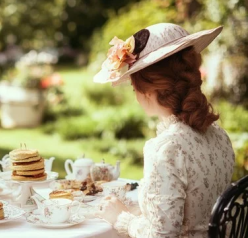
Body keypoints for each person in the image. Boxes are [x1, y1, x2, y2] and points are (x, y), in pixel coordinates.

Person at [93, 23, 235, 237]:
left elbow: (163, 235)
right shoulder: (220, 136)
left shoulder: (166, 148)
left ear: (148, 91)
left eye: (134, 87)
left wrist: (121, 217)